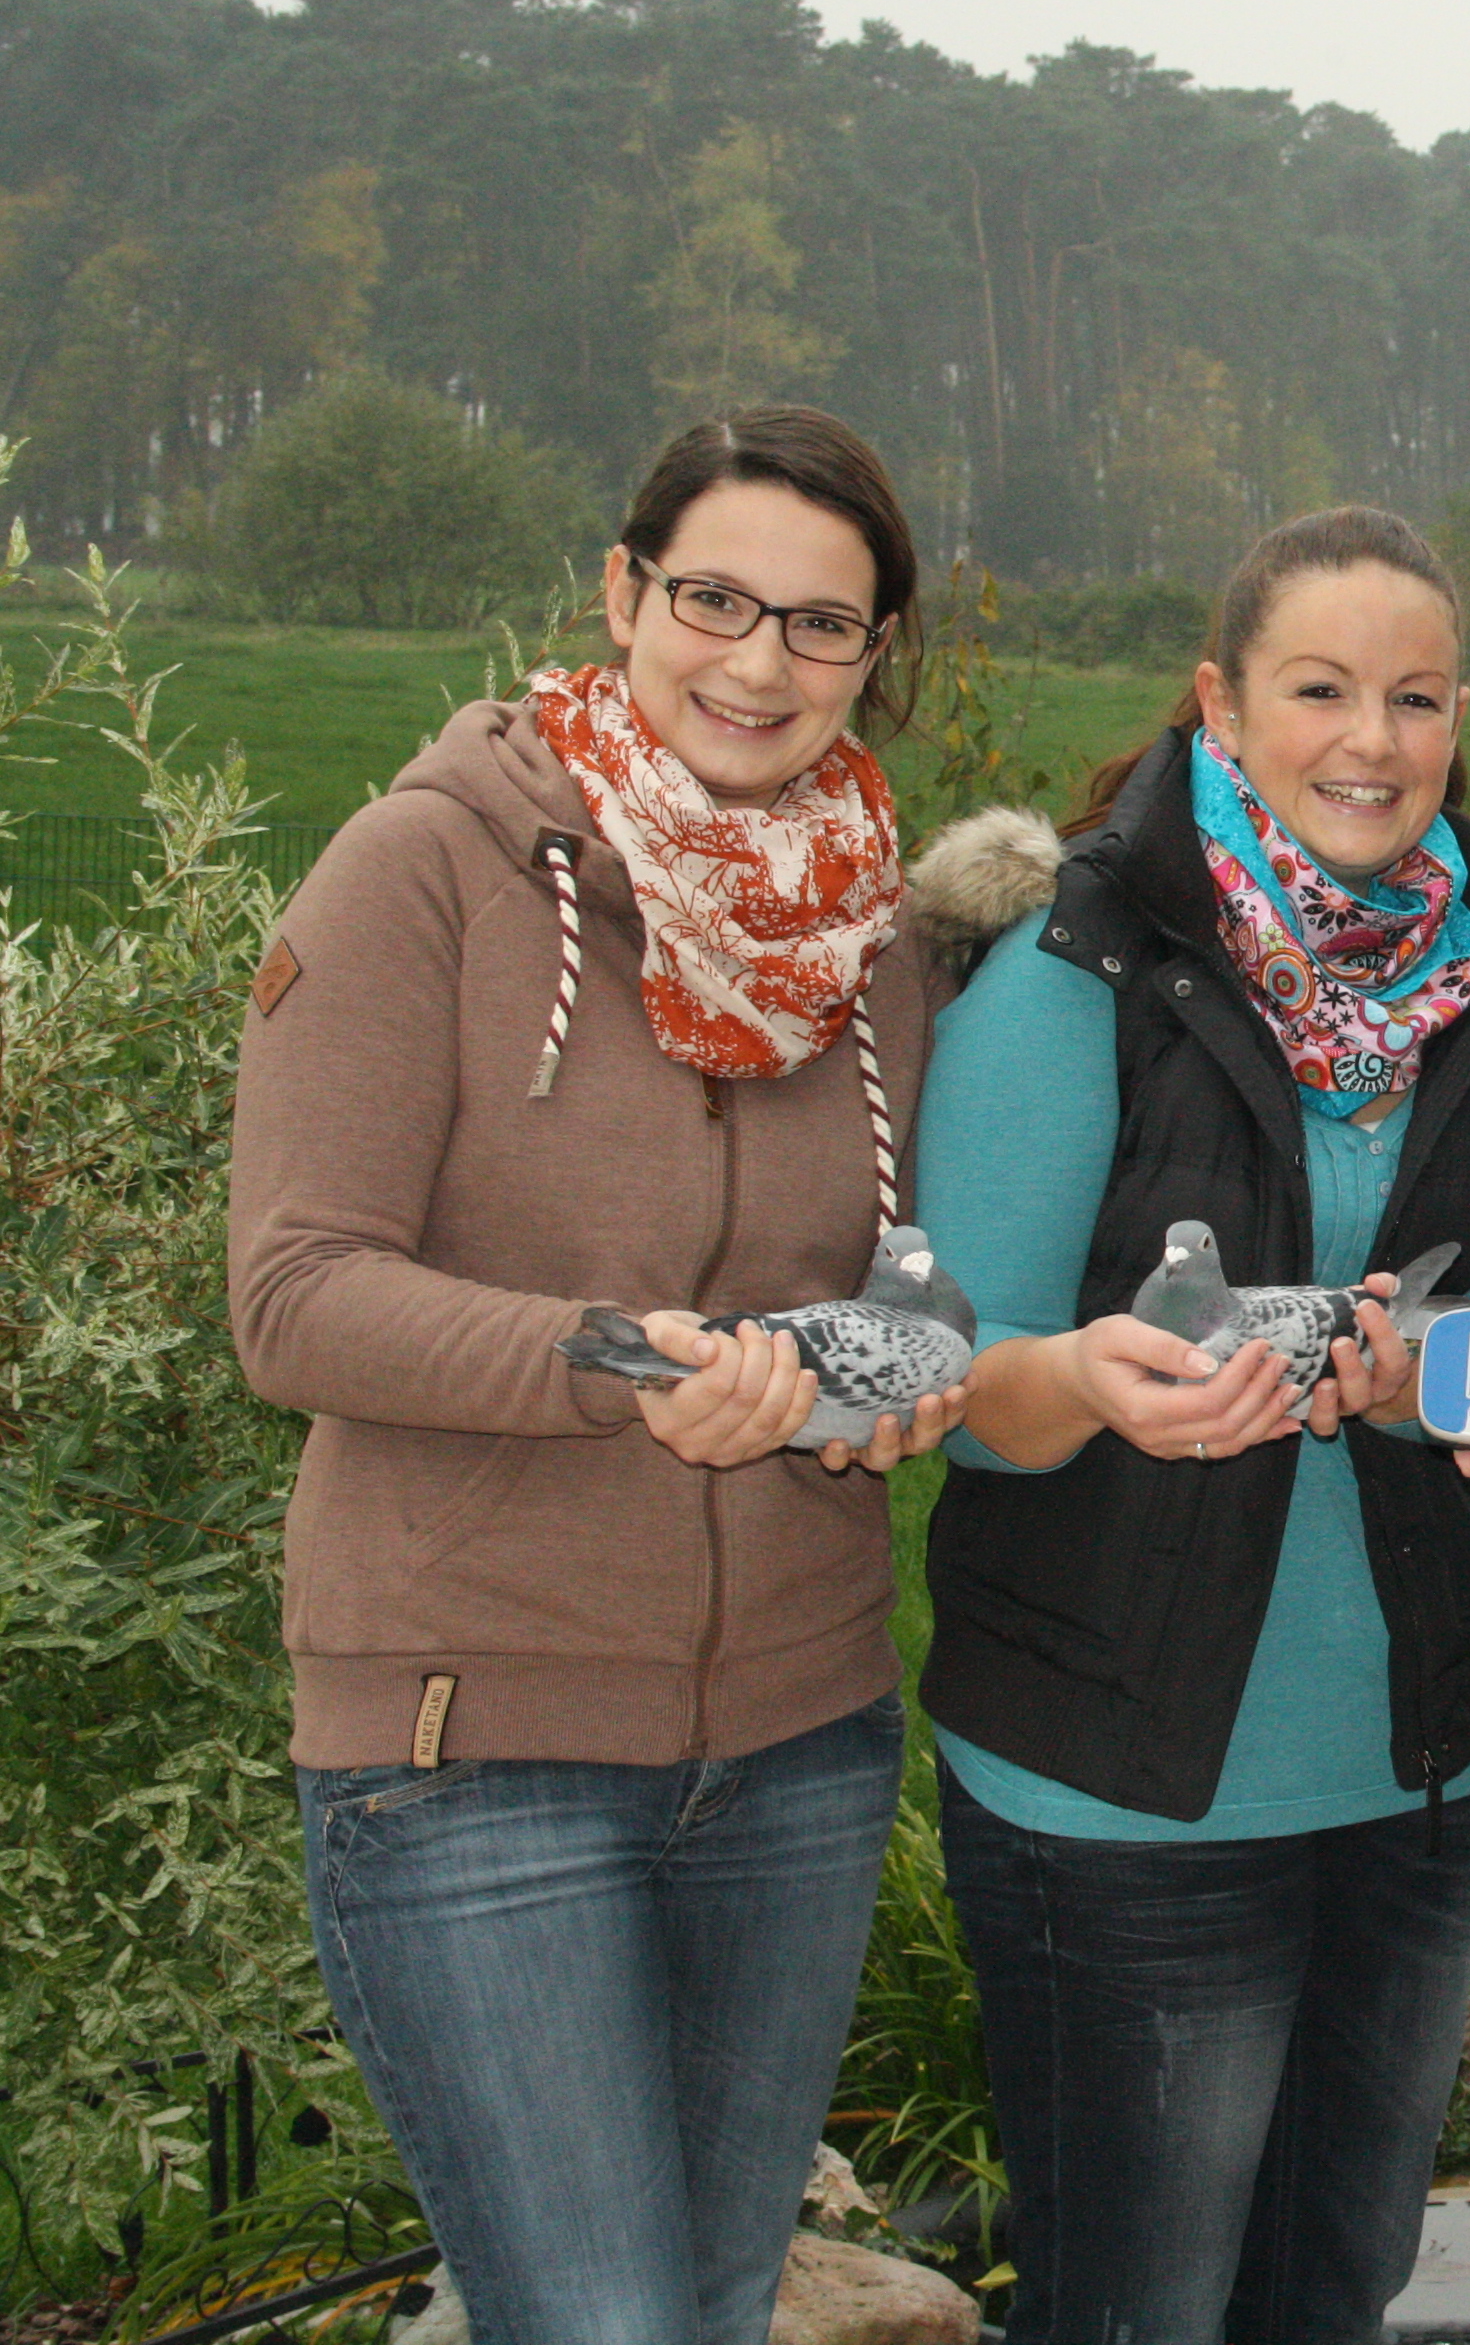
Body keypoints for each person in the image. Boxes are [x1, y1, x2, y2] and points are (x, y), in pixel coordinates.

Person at [230, 409, 957, 2345]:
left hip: (798, 1747)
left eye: (822, 624)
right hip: (476, 1753)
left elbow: (892, 1277)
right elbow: (292, 1296)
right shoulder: (429, 877)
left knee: (713, 2309)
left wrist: (902, 1375)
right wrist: (612, 1362)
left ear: (872, 655)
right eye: (714, 598)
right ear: (622, 593)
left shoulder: (873, 950)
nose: (758, 661)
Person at [899, 506, 1470, 2345]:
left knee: (1332, 2295)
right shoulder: (1074, 973)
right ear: (1222, 703)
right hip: (1121, 1782)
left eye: (1416, 696)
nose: (1371, 741)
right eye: (1321, 689)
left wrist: (1443, 1379)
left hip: (1402, 1769)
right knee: (1137, 2309)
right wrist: (1088, 1378)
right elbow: (954, 1388)